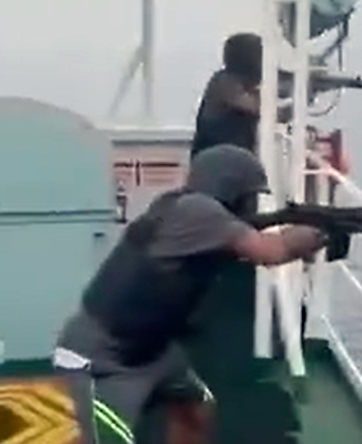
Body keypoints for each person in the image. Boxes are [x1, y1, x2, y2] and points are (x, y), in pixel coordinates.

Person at [53, 144, 330, 444]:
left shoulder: (179, 207)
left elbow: (247, 241)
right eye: (249, 195)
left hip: (152, 351)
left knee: (196, 408)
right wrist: (326, 230)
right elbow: (273, 250)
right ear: (230, 189)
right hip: (102, 359)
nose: (251, 204)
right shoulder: (198, 212)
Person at [191, 32, 292, 159]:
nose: (265, 62)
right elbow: (265, 110)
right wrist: (298, 102)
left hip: (231, 160)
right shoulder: (224, 83)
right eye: (262, 57)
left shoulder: (234, 82)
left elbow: (278, 90)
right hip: (215, 165)